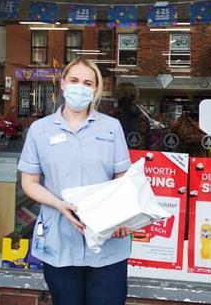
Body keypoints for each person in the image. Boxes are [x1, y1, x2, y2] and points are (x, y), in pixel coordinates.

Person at [18, 56, 132, 305]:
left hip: (107, 244)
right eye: (74, 80)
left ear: (96, 89)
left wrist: (123, 216)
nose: (80, 87)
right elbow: (29, 182)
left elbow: (123, 179)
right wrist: (60, 205)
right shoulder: (40, 130)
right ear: (63, 84)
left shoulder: (111, 128)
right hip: (61, 242)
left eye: (88, 82)